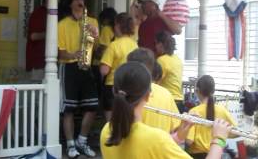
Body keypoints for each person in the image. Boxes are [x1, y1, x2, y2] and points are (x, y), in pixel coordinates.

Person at [100, 62, 233, 159]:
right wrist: (219, 139)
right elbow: (155, 145)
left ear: (114, 91)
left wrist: (180, 135)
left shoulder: (107, 131)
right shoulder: (155, 138)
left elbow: (153, 150)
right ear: (148, 95)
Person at [58, 0, 99, 158]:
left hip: (86, 66)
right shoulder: (61, 25)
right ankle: (70, 145)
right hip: (68, 67)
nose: (80, 2)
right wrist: (74, 54)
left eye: (82, 0)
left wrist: (94, 35)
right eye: (76, 0)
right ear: (71, 4)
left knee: (92, 106)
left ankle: (82, 141)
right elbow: (60, 53)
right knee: (69, 109)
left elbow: (95, 49)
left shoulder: (92, 22)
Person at [186, 75, 236, 159]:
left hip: (197, 156)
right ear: (213, 91)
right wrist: (221, 137)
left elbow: (189, 141)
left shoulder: (194, 112)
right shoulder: (222, 110)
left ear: (197, 91)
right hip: (217, 153)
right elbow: (235, 133)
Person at [100, 12, 138, 121]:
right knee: (125, 118)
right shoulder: (134, 44)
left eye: (115, 25)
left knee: (111, 121)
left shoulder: (114, 45)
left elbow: (104, 70)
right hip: (129, 86)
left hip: (113, 85)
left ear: (118, 26)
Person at [91, 7, 117, 103]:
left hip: (100, 63)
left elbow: (103, 48)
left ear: (106, 19)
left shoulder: (106, 29)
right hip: (111, 64)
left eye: (102, 20)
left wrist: (94, 52)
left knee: (97, 89)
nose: (101, 23)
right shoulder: (116, 30)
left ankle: (98, 109)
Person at [155, 31, 184, 113]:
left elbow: (155, 83)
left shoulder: (162, 60)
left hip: (168, 101)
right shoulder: (178, 59)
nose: (155, 47)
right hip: (180, 100)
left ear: (161, 44)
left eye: (156, 44)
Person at [26, 0, 48, 82]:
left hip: (50, 63)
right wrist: (51, 35)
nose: (58, 0)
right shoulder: (38, 13)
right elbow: (33, 36)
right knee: (38, 94)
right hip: (38, 63)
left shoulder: (53, 14)